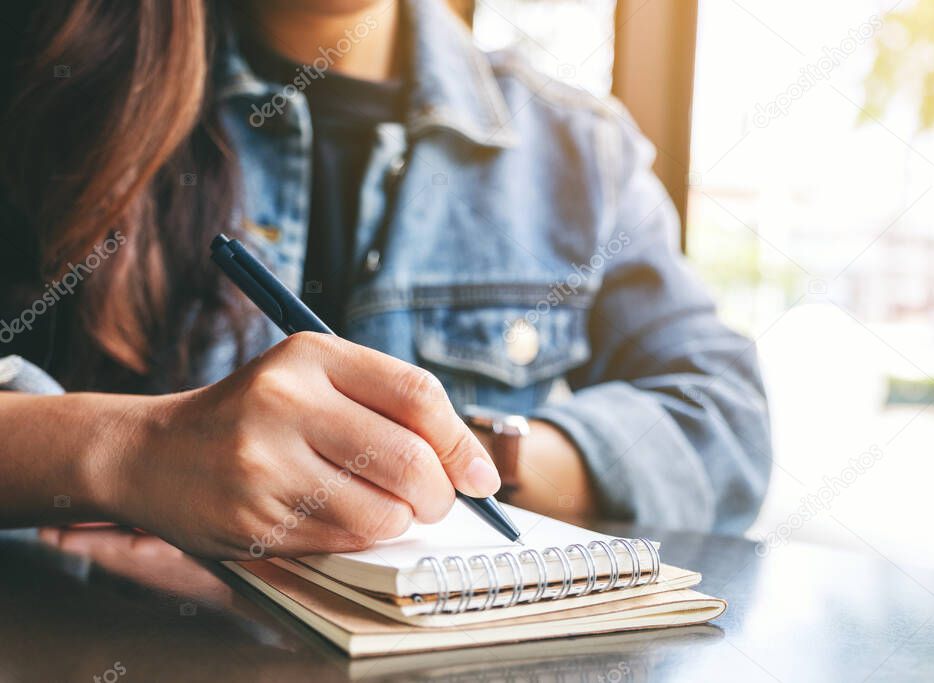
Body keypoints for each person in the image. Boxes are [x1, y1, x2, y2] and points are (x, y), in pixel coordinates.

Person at [0, 0, 770, 559]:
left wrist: (480, 460)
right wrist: (131, 453)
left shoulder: (578, 152)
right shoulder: (48, 88)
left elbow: (725, 419)